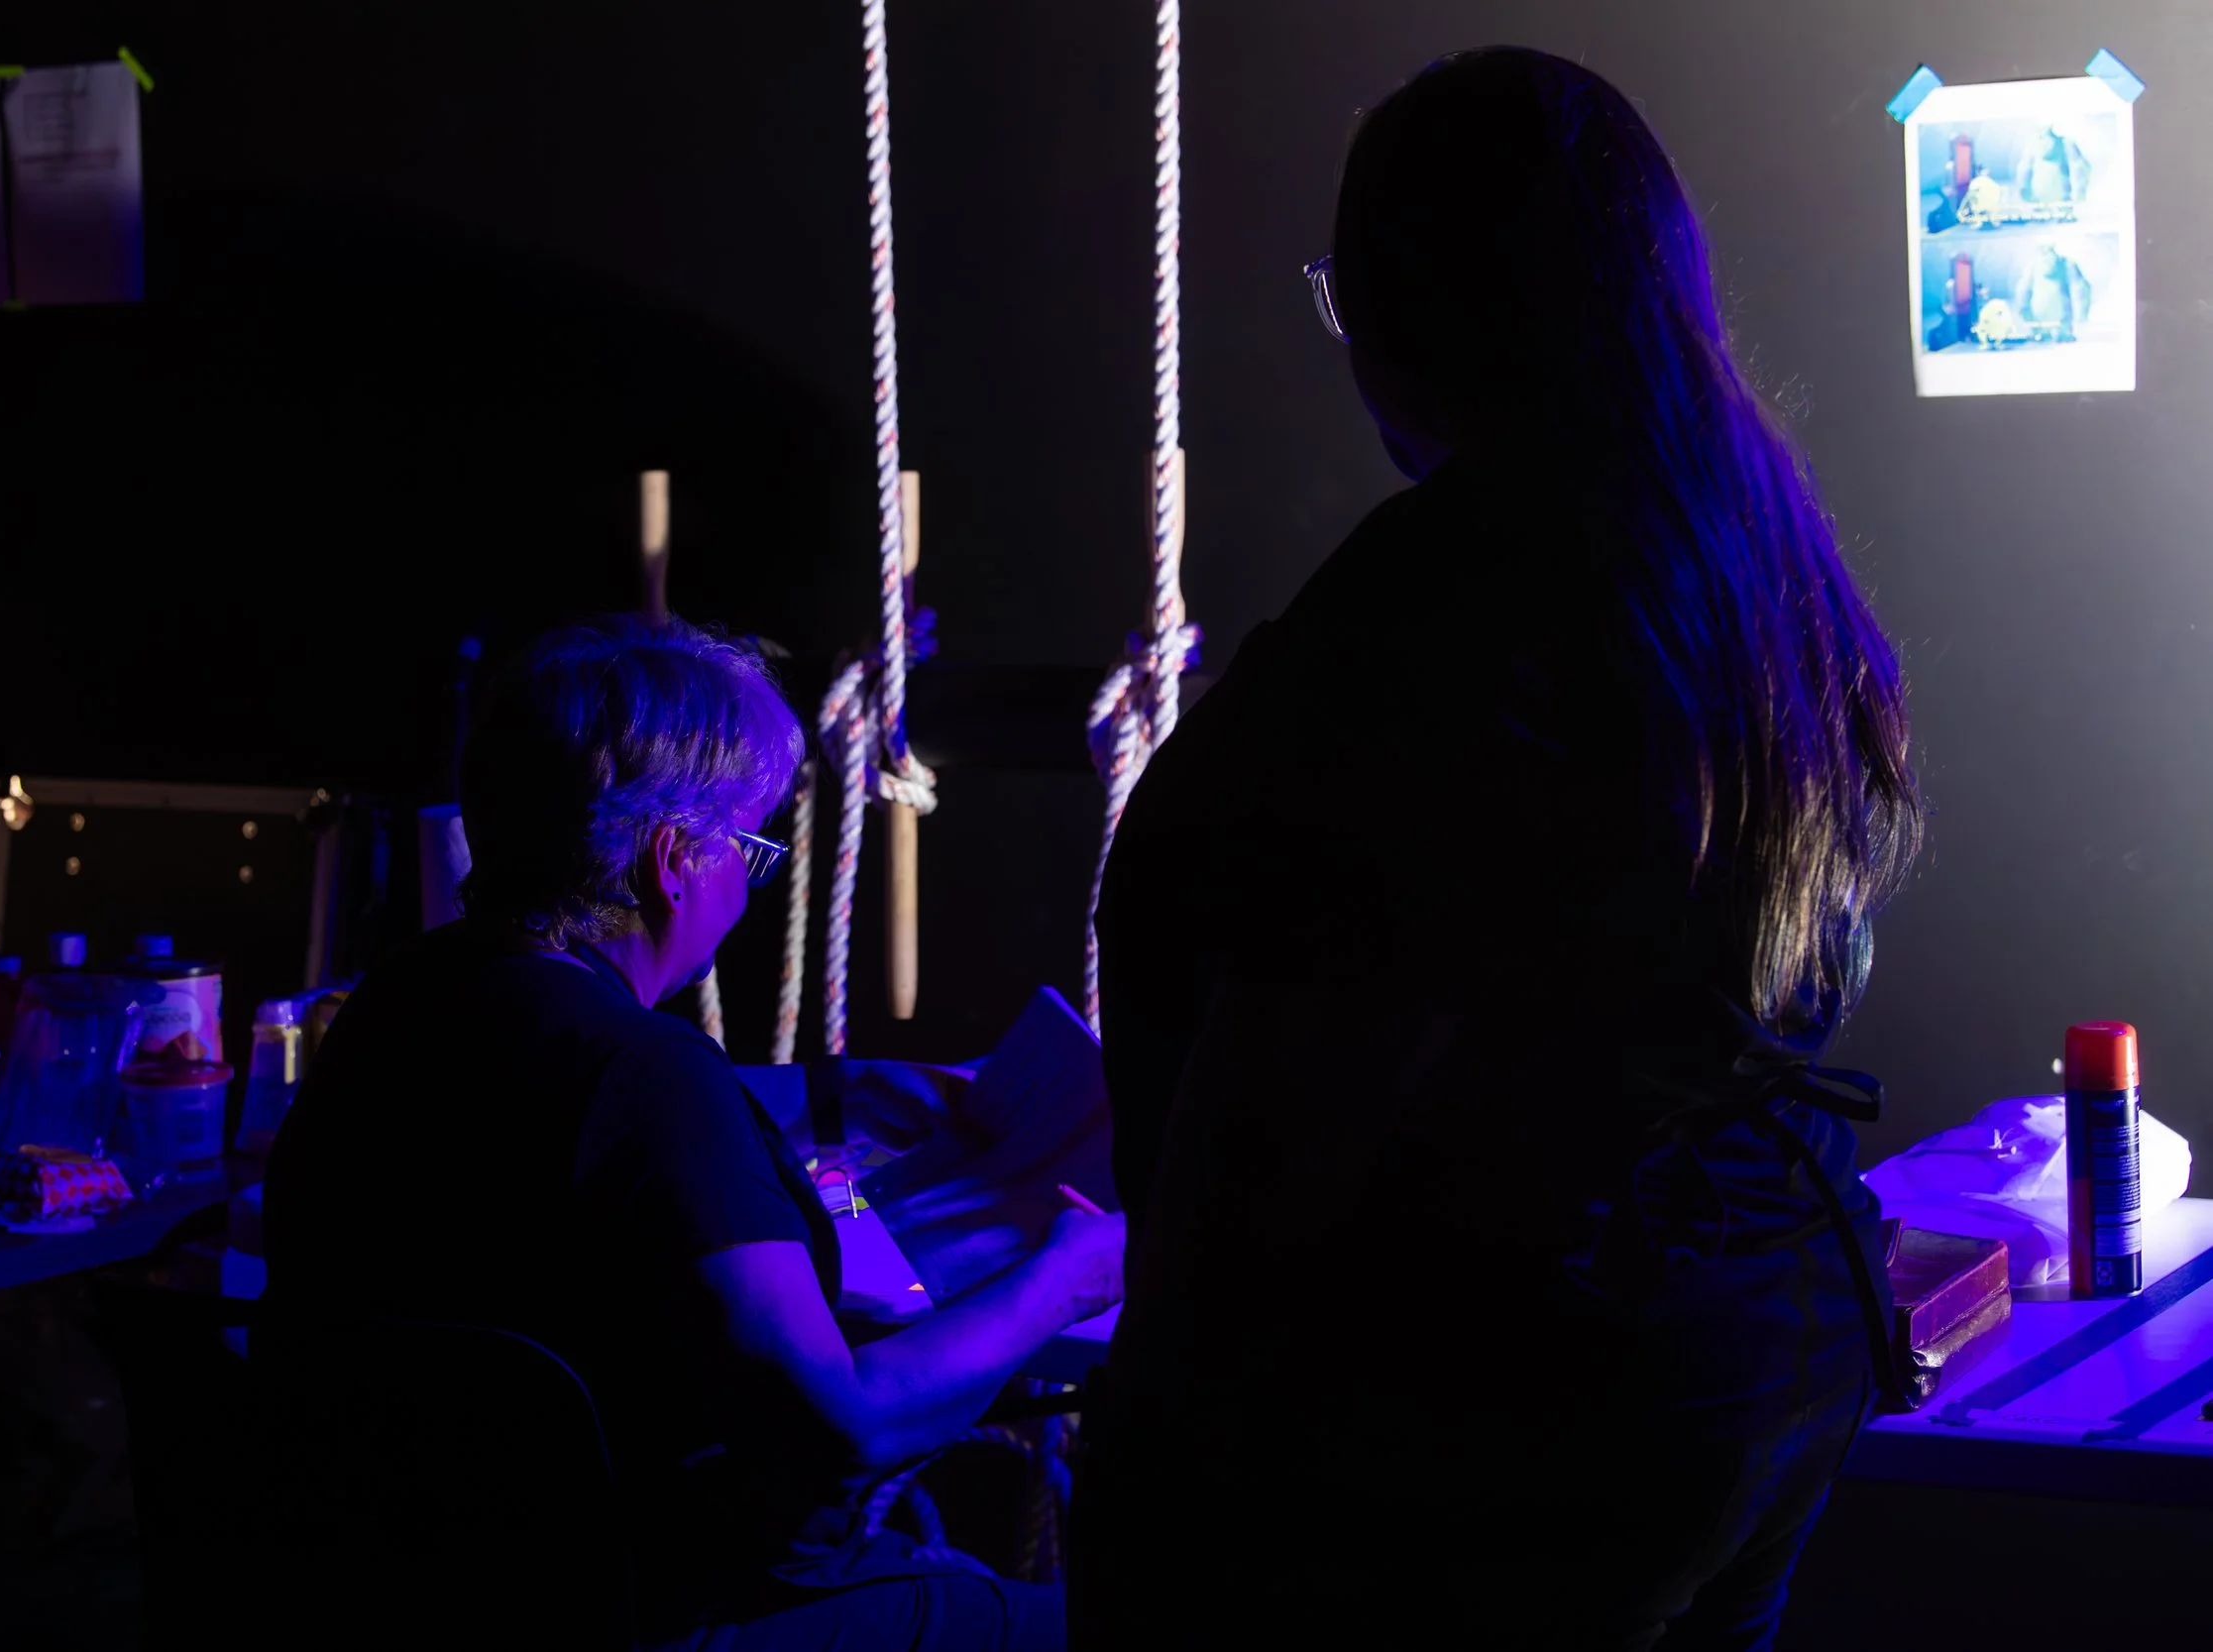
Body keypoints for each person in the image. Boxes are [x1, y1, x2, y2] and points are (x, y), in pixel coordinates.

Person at [1070, 48, 1923, 1652]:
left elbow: (1314, 1062)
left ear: (1426, 305)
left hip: (1532, 1364)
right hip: (1765, 1309)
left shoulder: (1447, 598)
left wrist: (1164, 1442)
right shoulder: (1748, 548)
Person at [263, 616, 1123, 1650]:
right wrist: (1071, 1273)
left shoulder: (394, 1005)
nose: (744, 889)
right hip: (656, 1606)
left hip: (410, 1591)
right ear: (674, 857)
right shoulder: (645, 1074)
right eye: (750, 849)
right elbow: (843, 1428)